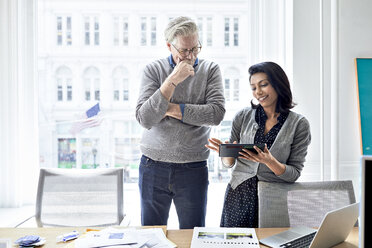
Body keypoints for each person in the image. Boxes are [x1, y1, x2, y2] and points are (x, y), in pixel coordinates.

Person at [135, 16, 225, 229]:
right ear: (169, 46)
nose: (191, 56)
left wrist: (170, 108)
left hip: (193, 167)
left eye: (196, 48)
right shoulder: (153, 70)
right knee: (152, 235)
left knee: (193, 234)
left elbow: (216, 114)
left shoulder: (210, 70)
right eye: (184, 50)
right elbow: (145, 117)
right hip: (152, 165)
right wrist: (172, 81)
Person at [206, 61, 311, 228]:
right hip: (238, 196)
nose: (258, 92)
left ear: (278, 84)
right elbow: (229, 164)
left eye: (263, 85)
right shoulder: (242, 116)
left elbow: (294, 173)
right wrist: (225, 154)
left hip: (274, 199)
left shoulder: (299, 124)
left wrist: (270, 161)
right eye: (253, 88)